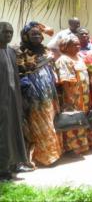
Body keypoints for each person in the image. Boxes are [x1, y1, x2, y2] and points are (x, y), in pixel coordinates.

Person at [16, 21, 62, 166]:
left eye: (38, 34)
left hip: (50, 92)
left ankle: (55, 153)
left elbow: (52, 67)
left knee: (51, 121)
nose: (37, 36)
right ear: (26, 36)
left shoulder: (45, 49)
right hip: (34, 94)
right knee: (39, 124)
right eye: (33, 34)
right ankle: (43, 157)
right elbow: (20, 73)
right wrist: (28, 89)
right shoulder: (21, 51)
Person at [0, 22, 28, 180]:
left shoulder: (11, 52)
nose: (8, 35)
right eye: (5, 32)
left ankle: (14, 163)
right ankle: (2, 170)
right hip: (1, 99)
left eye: (10, 32)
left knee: (14, 130)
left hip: (12, 98)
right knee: (3, 133)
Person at [55, 35, 90, 154]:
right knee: (72, 120)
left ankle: (82, 146)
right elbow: (65, 80)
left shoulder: (79, 57)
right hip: (73, 95)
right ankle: (72, 148)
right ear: (66, 47)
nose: (78, 46)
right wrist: (69, 98)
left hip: (83, 95)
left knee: (80, 119)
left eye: (78, 44)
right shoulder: (63, 59)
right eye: (74, 44)